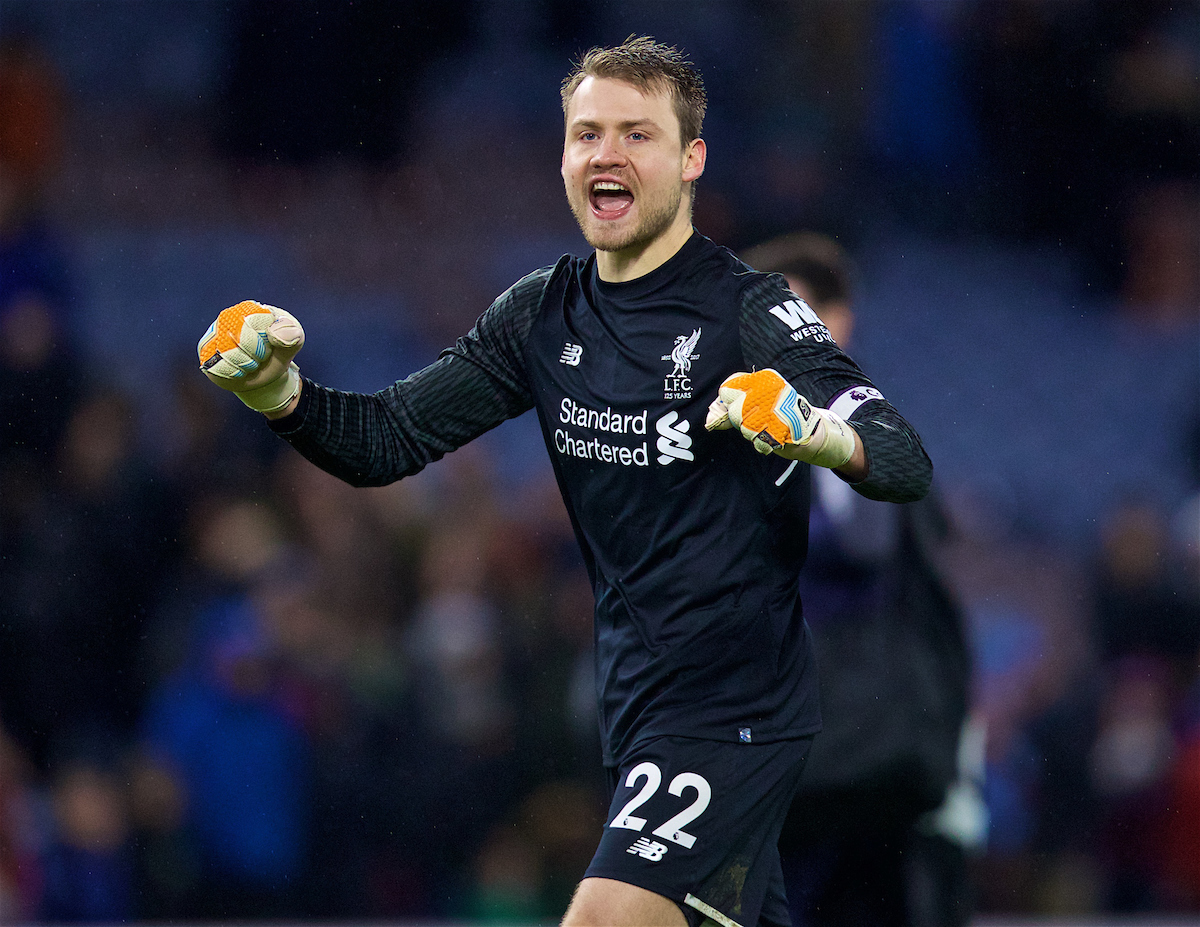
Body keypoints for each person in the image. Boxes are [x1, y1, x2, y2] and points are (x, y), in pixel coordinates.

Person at [196, 37, 932, 927]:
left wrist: (813, 431)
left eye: (637, 134)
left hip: (733, 711)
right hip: (634, 709)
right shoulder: (542, 313)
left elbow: (900, 456)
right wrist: (279, 394)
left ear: (692, 159)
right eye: (588, 133)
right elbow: (386, 439)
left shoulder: (750, 309)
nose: (607, 153)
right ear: (564, 156)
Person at [740, 232, 974, 927]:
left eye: (783, 312)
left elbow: (867, 545)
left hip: (858, 746)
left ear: (834, 323)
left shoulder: (874, 436)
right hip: (777, 751)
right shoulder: (720, 430)